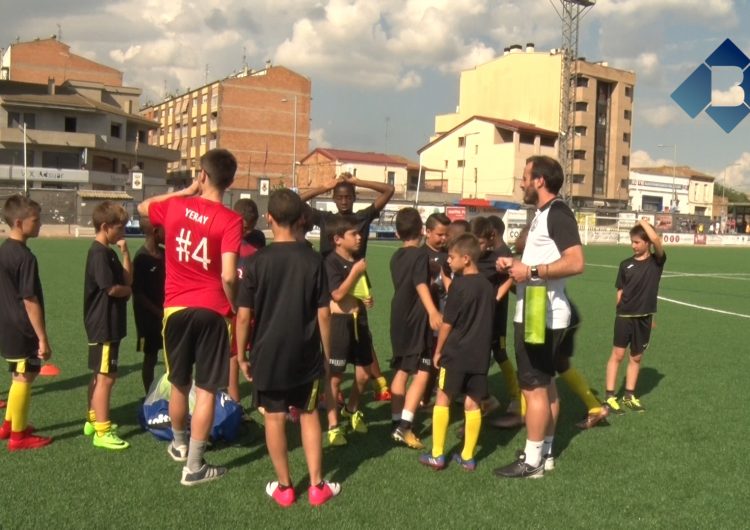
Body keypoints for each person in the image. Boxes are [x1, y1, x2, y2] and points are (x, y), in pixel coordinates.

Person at [138, 148, 242, 486]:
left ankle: (180, 445)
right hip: (213, 310)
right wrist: (235, 304)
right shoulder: (231, 220)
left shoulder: (176, 207)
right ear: (231, 181)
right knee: (208, 389)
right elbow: (228, 276)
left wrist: (184, 192)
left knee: (179, 384)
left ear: (202, 174)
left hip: (176, 309)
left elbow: (142, 208)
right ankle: (195, 466)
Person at [235, 188, 340, 507]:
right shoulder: (313, 260)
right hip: (306, 353)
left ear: (268, 219)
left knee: (275, 418)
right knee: (309, 415)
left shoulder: (255, 262)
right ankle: (317, 486)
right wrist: (326, 354)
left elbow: (243, 317)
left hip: (267, 353)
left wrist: (241, 355)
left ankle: (284, 487)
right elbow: (324, 313)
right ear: (301, 220)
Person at [494, 155, 584, 479]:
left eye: (525, 176)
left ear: (539, 181)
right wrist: (514, 265)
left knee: (533, 389)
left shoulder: (557, 213)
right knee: (545, 388)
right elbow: (536, 258)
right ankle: (544, 452)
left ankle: (531, 461)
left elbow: (576, 262)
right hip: (540, 308)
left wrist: (529, 270)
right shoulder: (542, 213)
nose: (521, 182)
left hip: (538, 312)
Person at [301, 172, 394, 401]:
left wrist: (357, 181)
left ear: (354, 197)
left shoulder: (362, 217)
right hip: (328, 283)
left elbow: (388, 190)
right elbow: (297, 201)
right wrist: (324, 186)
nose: (344, 201)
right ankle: (332, 389)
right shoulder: (324, 219)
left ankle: (378, 382)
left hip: (355, 282)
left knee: (362, 333)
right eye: (340, 197)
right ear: (333, 198)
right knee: (327, 335)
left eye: (348, 196)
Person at [419, 233, 494, 471]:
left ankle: (438, 454)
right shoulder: (486, 285)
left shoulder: (459, 285)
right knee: (472, 404)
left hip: (456, 353)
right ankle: (468, 457)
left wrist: (438, 350)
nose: (448, 261)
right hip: (480, 355)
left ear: (466, 258)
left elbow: (447, 323)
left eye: (451, 257)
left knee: (443, 398)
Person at [0, 195, 53, 451]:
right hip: (22, 327)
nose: (40, 224)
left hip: (6, 325)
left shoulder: (4, 249)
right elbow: (29, 299)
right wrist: (42, 337)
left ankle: (9, 423)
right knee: (25, 376)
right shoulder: (25, 257)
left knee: (17, 375)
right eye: (36, 220)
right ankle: (18, 437)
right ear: (19, 222)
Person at [390, 207, 442, 449]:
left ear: (397, 233)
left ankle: (395, 420)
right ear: (422, 230)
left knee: (401, 370)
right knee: (423, 370)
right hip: (415, 318)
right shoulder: (420, 256)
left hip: (397, 317)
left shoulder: (395, 257)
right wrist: (432, 310)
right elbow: (420, 283)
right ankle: (405, 426)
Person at [323, 215, 377, 445]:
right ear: (337, 239)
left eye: (359, 233)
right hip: (339, 324)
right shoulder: (331, 262)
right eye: (353, 234)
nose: (359, 237)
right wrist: (355, 272)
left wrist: (366, 299)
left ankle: (352, 408)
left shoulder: (357, 260)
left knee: (364, 373)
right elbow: (336, 294)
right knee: (335, 378)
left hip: (359, 320)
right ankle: (333, 425)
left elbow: (361, 288)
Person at [83, 201, 132, 450]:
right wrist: (129, 291)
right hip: (103, 324)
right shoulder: (99, 253)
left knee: (99, 374)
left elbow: (125, 278)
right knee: (106, 377)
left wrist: (125, 253)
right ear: (105, 227)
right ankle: (101, 431)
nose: (122, 234)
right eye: (119, 229)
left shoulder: (109, 251)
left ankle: (93, 419)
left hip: (108, 323)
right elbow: (112, 288)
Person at [604, 219, 666, 413]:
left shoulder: (657, 262)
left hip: (645, 317)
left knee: (636, 357)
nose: (633, 245)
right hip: (624, 316)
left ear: (647, 243)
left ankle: (629, 395)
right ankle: (609, 397)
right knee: (618, 355)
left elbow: (656, 238)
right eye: (632, 241)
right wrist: (620, 309)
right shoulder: (625, 265)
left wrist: (643, 223)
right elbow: (620, 291)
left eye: (637, 242)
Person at [470, 216, 515, 416]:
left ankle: (516, 396)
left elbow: (511, 280)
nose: (476, 246)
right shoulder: (482, 256)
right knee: (487, 355)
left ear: (491, 236)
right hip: (481, 317)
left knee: (499, 352)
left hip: (496, 317)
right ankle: (483, 398)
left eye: (479, 242)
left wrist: (495, 298)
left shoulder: (501, 256)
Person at [227, 198, 266, 404]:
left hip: (256, 306)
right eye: (243, 226)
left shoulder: (258, 240)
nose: (246, 231)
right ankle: (234, 401)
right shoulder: (227, 239)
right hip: (235, 307)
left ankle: (262, 396)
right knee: (234, 355)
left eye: (249, 227)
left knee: (258, 351)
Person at [420, 212, 451, 406]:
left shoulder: (450, 255)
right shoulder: (420, 255)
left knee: (441, 359)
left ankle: (440, 396)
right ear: (427, 231)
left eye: (446, 235)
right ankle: (423, 398)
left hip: (446, 318)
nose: (444, 238)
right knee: (428, 361)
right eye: (440, 235)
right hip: (425, 318)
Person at [132, 216, 165, 394]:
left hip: (166, 315)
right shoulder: (141, 258)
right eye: (164, 229)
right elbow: (137, 293)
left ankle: (171, 393)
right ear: (155, 232)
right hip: (146, 321)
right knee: (149, 356)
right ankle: (149, 395)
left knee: (171, 355)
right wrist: (157, 312)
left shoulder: (165, 254)